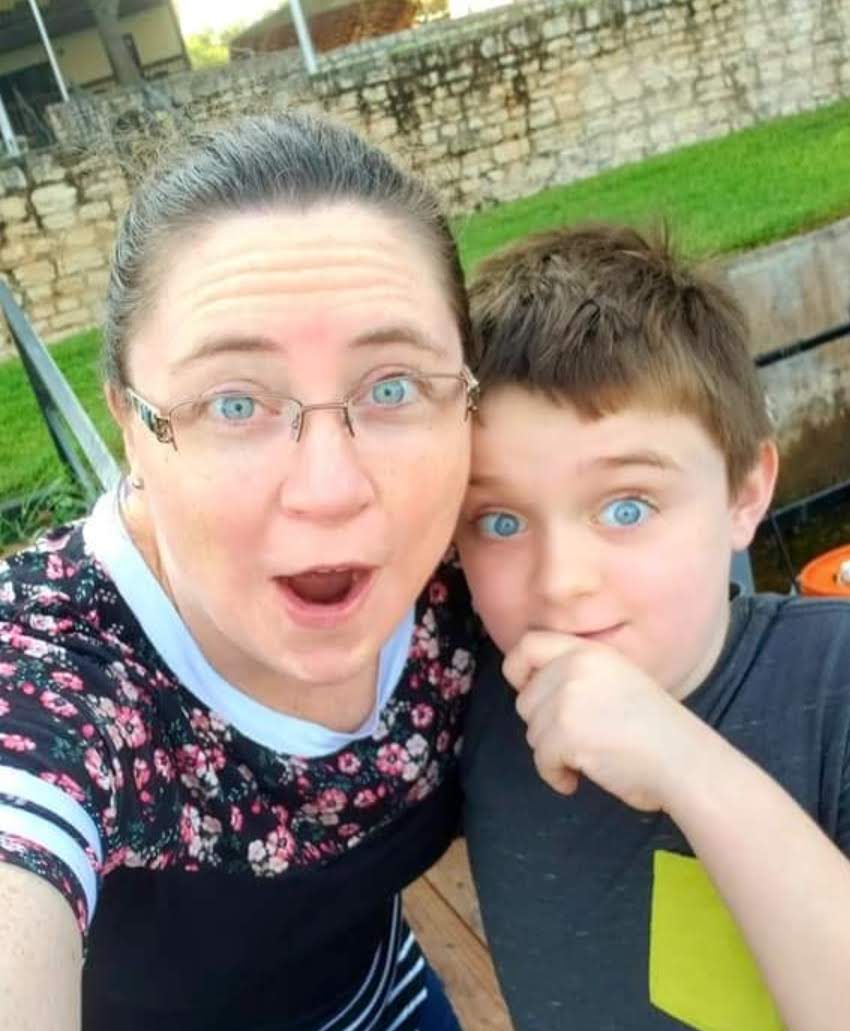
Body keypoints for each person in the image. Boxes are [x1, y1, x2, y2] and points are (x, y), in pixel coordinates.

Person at [0, 113, 481, 1031]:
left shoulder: (484, 565)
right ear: (131, 425)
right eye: (233, 403)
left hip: (387, 1001)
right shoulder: (53, 668)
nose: (331, 489)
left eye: (392, 387)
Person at [457, 223, 850, 1031]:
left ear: (744, 493)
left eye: (627, 507)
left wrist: (681, 758)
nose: (560, 580)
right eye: (499, 521)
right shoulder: (470, 698)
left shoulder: (835, 683)